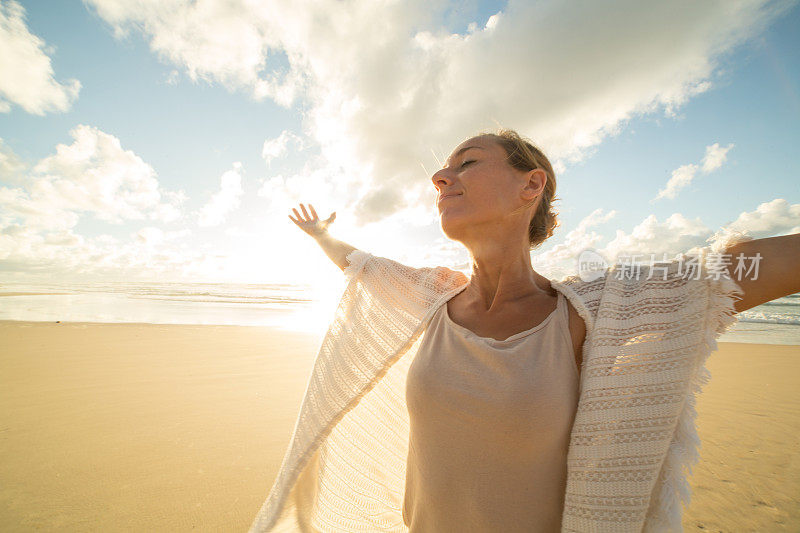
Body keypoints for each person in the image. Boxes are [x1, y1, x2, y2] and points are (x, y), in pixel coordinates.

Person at [249, 129, 799, 533]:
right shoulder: (431, 297)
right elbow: (363, 266)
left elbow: (727, 270)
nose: (442, 178)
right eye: (443, 170)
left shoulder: (590, 313)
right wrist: (322, 238)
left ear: (530, 185)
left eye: (467, 163)